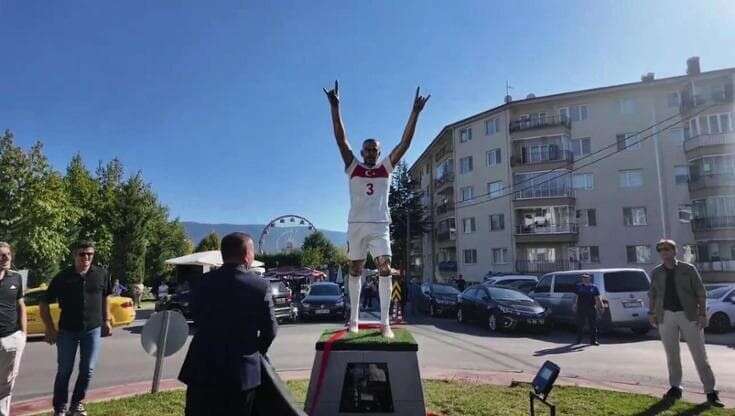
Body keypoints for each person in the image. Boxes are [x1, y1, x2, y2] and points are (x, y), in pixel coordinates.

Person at [324, 80, 429, 338]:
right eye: (367, 149)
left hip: (380, 225)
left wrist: (414, 113)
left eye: (375, 150)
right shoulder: (353, 166)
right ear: (362, 151)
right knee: (355, 270)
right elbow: (341, 139)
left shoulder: (385, 168)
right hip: (356, 225)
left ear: (379, 152)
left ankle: (385, 323)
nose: (371, 153)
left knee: (385, 269)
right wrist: (335, 107)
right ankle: (354, 319)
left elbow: (404, 144)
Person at [179, 233, 278, 416]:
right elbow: (270, 330)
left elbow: (195, 314)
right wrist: (255, 352)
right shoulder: (259, 286)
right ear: (247, 254)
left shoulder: (201, 282)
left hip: (202, 367)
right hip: (240, 372)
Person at [40, 241, 112, 416]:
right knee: (65, 370)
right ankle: (60, 408)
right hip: (67, 331)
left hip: (92, 329)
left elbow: (106, 297)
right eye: (82, 254)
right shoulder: (63, 277)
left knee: (88, 369)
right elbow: (44, 303)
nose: (86, 257)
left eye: (90, 254)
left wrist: (107, 319)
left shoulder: (101, 274)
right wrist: (49, 328)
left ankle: (77, 404)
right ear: (74, 255)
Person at [648, 239, 723, 407]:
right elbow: (652, 294)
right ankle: (675, 387)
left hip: (688, 315)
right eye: (661, 249)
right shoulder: (656, 272)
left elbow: (700, 292)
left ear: (675, 251)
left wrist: (703, 314)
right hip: (665, 315)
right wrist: (651, 312)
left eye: (667, 249)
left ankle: (711, 391)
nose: (664, 252)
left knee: (699, 355)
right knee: (671, 354)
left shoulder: (688, 269)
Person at [0, 242, 26, 416]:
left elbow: (21, 305)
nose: (5, 258)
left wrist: (23, 334)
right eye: (1, 255)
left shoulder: (16, 278)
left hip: (11, 337)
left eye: (7, 254)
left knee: (7, 381)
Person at [572, 273, 604, 345]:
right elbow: (576, 297)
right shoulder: (578, 286)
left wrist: (601, 306)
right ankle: (578, 340)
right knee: (580, 325)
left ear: (589, 278)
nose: (585, 279)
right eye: (583, 278)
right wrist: (574, 305)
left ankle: (593, 341)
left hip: (591, 308)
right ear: (582, 279)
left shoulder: (594, 287)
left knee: (593, 325)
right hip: (581, 308)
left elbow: (597, 298)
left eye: (586, 278)